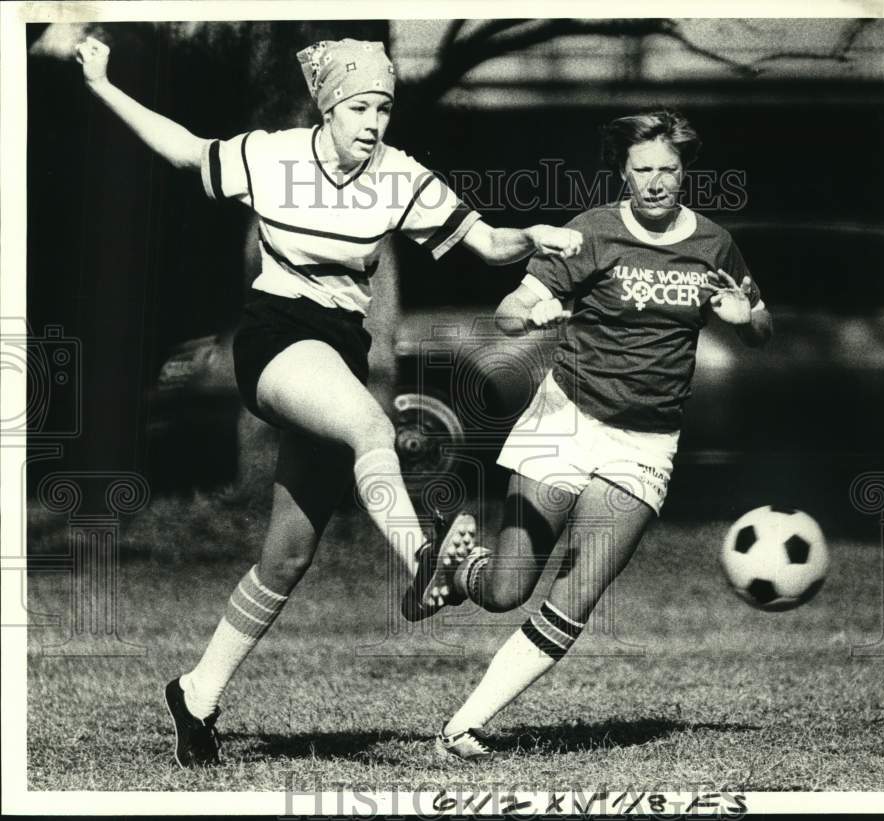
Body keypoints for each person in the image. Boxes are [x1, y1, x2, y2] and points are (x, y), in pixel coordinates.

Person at [73, 35, 582, 768]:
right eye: (359, 107)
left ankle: (196, 692)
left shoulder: (400, 176)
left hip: (340, 349)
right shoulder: (273, 155)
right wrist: (100, 85)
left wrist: (534, 235)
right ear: (328, 106)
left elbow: (489, 241)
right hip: (275, 339)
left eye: (383, 107)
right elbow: (185, 150)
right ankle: (420, 560)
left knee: (286, 557)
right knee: (372, 424)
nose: (374, 121)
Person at [416, 110, 772, 761]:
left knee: (578, 593)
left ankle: (461, 726)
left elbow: (761, 321)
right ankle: (459, 566)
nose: (657, 182)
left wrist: (746, 316)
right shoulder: (591, 232)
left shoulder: (715, 244)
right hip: (565, 420)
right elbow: (506, 312)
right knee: (506, 589)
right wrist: (527, 318)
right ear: (623, 172)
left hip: (646, 444)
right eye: (644, 170)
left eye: (669, 168)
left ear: (685, 169)